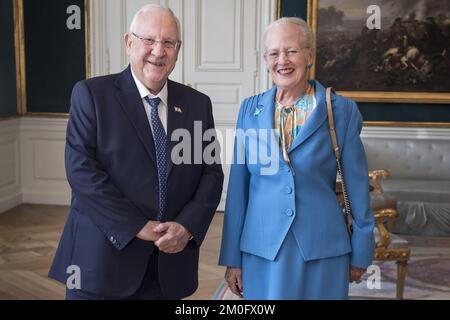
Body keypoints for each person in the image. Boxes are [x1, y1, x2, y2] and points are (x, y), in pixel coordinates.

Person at [49, 4, 223, 300]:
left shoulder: (197, 104)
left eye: (169, 42)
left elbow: (210, 174)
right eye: (149, 40)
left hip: (168, 268)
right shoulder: (91, 95)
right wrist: (137, 226)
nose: (159, 51)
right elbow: (82, 172)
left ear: (178, 49)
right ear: (129, 43)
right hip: (100, 265)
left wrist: (187, 226)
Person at [219, 17, 375, 300]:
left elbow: (357, 185)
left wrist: (362, 249)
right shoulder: (249, 110)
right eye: (274, 53)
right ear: (266, 59)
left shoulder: (340, 111)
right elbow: (238, 189)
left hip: (322, 248)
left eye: (291, 51)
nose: (283, 61)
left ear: (310, 56)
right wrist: (232, 257)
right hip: (262, 249)